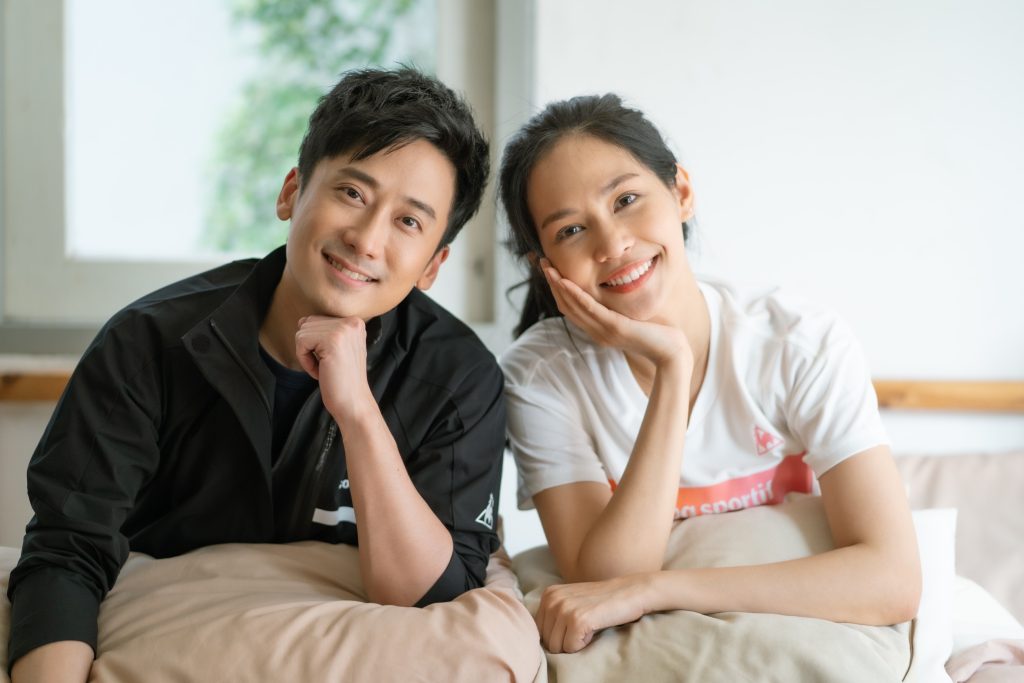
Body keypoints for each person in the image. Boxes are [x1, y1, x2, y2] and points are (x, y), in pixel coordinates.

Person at [8, 67, 505, 681]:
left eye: (409, 222)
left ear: (433, 264)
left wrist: (357, 413)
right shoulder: (145, 343)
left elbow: (438, 594)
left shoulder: (460, 379)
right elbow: (66, 553)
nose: (367, 240)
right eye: (353, 193)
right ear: (292, 192)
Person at [498, 94, 922, 654]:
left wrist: (659, 590)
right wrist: (673, 369)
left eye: (626, 200)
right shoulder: (541, 376)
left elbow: (893, 579)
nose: (613, 243)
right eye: (571, 230)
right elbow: (603, 580)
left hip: (794, 636)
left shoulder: (797, 343)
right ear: (546, 267)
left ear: (681, 192)